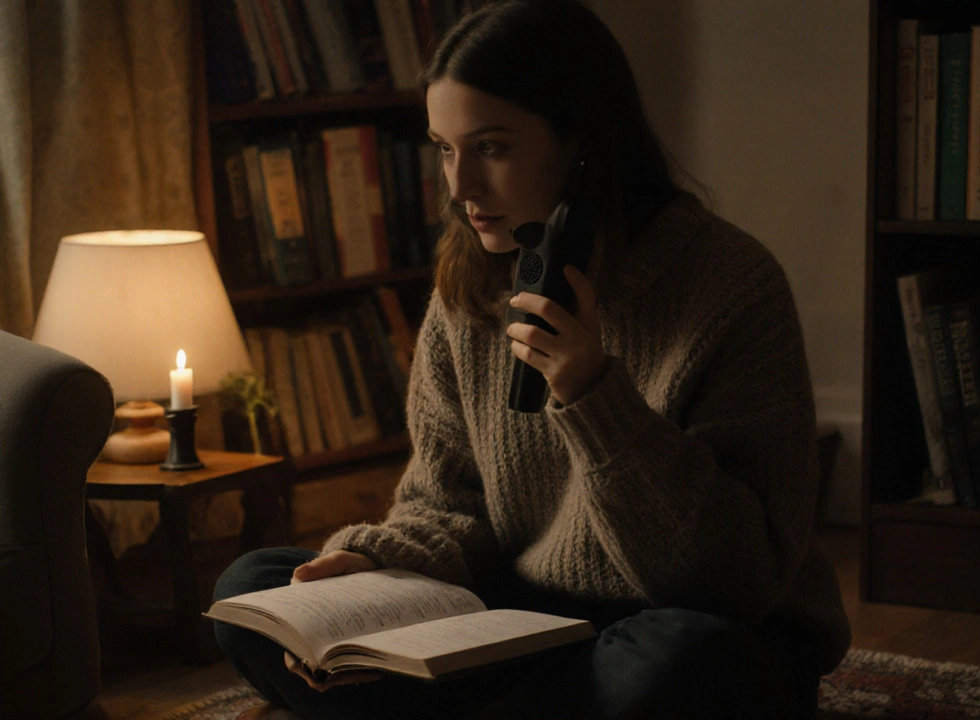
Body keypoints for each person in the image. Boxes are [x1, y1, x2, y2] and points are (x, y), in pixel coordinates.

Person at [213, 1, 851, 718]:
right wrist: (370, 565)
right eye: (444, 148)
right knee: (255, 587)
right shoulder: (470, 287)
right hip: (520, 627)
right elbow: (446, 506)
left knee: (682, 666)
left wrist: (591, 393)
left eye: (490, 147)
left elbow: (734, 578)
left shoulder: (729, 285)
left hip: (685, 627)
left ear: (580, 141)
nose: (459, 189)